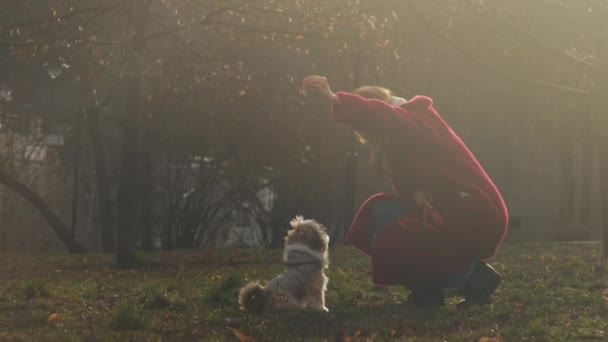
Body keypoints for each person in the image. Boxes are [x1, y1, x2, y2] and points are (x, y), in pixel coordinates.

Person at [302, 75, 509, 306]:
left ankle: (473, 277)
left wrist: (335, 99)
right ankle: (427, 290)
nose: (367, 135)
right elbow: (425, 176)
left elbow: (388, 117)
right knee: (377, 212)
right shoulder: (400, 136)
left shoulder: (417, 118)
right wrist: (416, 194)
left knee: (394, 230)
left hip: (477, 213)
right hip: (452, 209)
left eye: (366, 127)